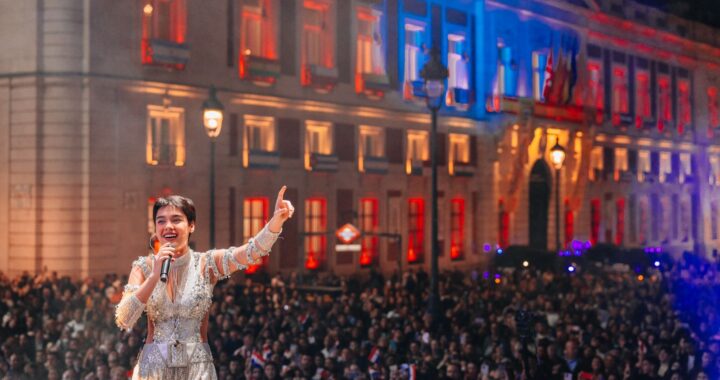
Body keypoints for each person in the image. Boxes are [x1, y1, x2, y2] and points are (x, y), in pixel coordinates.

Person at [114, 186, 294, 379]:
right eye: (161, 221)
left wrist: (276, 221)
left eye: (176, 220)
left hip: (196, 368)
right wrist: (154, 277)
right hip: (154, 369)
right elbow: (124, 319)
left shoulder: (206, 264)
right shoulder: (143, 267)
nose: (168, 226)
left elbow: (251, 252)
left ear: (191, 225)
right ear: (155, 228)